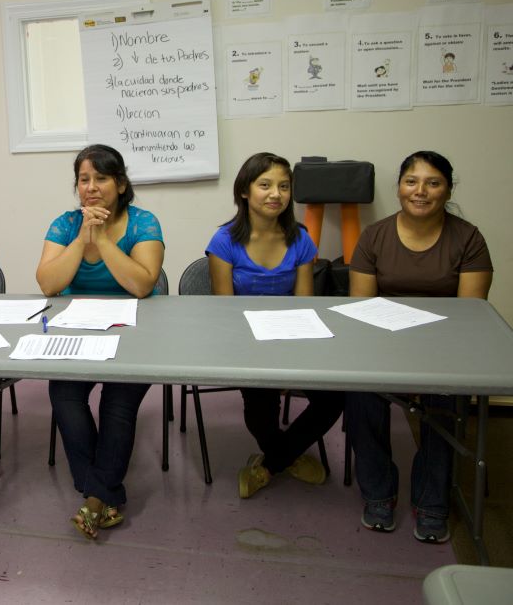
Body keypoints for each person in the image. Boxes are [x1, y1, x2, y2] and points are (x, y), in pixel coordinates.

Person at [346, 151, 492, 543]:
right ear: (399, 188)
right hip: (383, 344)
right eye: (411, 181)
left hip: (444, 348)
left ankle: (431, 502)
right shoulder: (375, 235)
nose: (420, 191)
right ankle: (379, 493)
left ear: (447, 189)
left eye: (433, 182)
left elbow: (472, 315)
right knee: (360, 395)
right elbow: (362, 307)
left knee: (444, 398)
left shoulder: (468, 238)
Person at [36, 144, 164, 540]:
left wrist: (104, 239)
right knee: (64, 396)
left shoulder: (144, 223)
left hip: (135, 329)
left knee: (118, 402)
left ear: (121, 184)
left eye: (101, 178)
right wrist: (82, 238)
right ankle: (101, 494)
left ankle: (94, 497)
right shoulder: (64, 224)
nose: (91, 188)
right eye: (83, 179)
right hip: (79, 329)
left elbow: (142, 285)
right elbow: (48, 284)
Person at [205, 152, 343, 499]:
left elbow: (305, 305)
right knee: (259, 412)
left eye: (283, 186)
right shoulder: (224, 241)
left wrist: (289, 358)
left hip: (292, 337)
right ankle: (288, 456)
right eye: (264, 185)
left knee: (334, 398)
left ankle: (271, 463)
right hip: (243, 340)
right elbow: (224, 310)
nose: (275, 194)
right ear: (244, 192)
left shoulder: (300, 239)